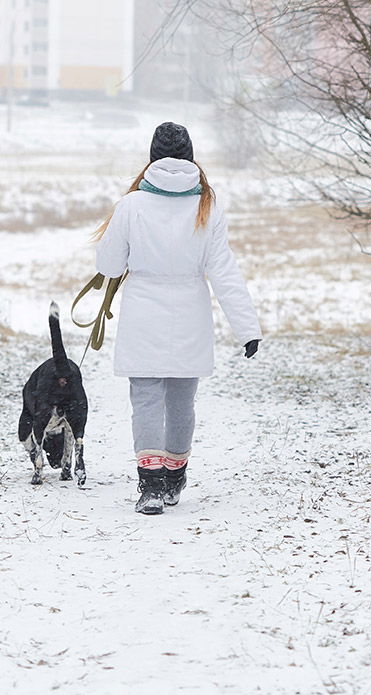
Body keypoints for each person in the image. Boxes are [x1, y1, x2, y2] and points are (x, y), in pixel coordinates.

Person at [94, 122, 261, 515]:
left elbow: (109, 264)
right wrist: (247, 329)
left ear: (152, 156)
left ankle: (150, 486)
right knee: (182, 402)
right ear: (190, 155)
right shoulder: (207, 204)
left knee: (147, 401)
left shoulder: (130, 205)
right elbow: (224, 271)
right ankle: (174, 477)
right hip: (191, 314)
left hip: (143, 315)